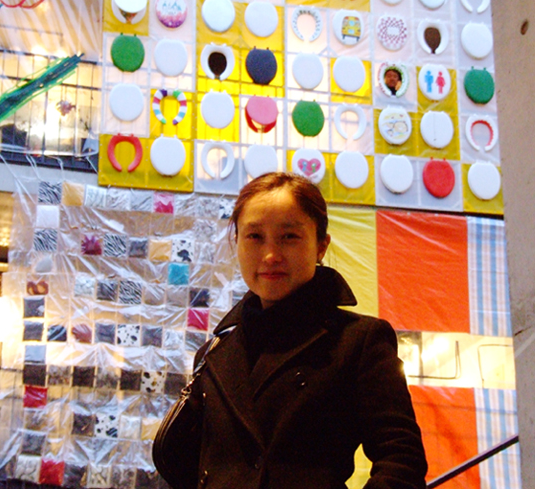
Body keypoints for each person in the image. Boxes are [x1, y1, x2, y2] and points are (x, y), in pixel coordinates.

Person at [160, 172, 427, 489]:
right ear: (237, 243)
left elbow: (401, 460)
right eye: (255, 236)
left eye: (289, 236)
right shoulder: (214, 353)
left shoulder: (358, 340)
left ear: (321, 246)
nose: (270, 255)